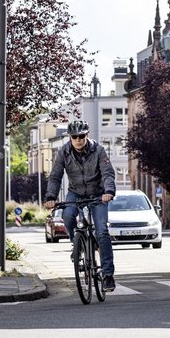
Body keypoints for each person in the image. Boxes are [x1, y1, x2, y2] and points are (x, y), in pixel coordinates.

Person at [44, 119, 117, 292]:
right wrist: (51, 196)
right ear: (69, 137)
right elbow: (55, 176)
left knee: (102, 231)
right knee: (67, 216)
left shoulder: (98, 150)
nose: (78, 139)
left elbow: (107, 173)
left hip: (98, 193)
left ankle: (108, 275)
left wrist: (109, 191)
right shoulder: (64, 152)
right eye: (75, 136)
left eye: (81, 136)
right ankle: (77, 246)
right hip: (75, 192)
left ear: (87, 135)